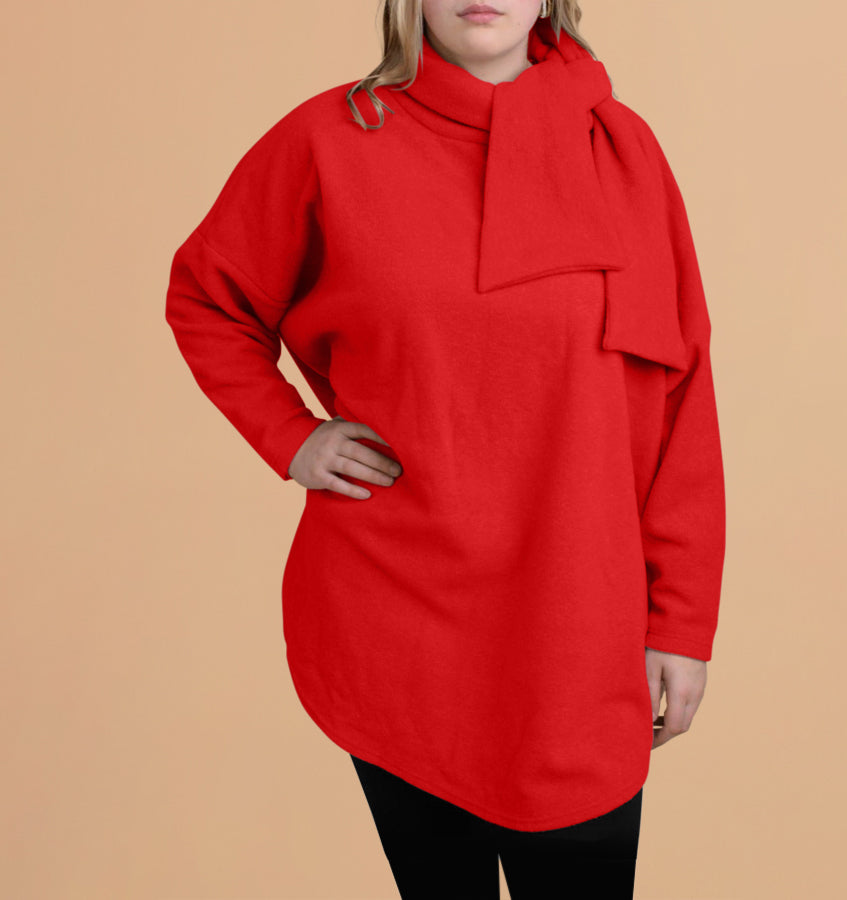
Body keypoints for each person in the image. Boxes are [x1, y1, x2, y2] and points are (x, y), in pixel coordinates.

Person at [164, 1, 726, 897]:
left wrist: (682, 620)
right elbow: (208, 296)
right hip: (400, 621)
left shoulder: (625, 153)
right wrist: (292, 436)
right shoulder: (329, 138)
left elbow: (682, 395)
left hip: (578, 623)